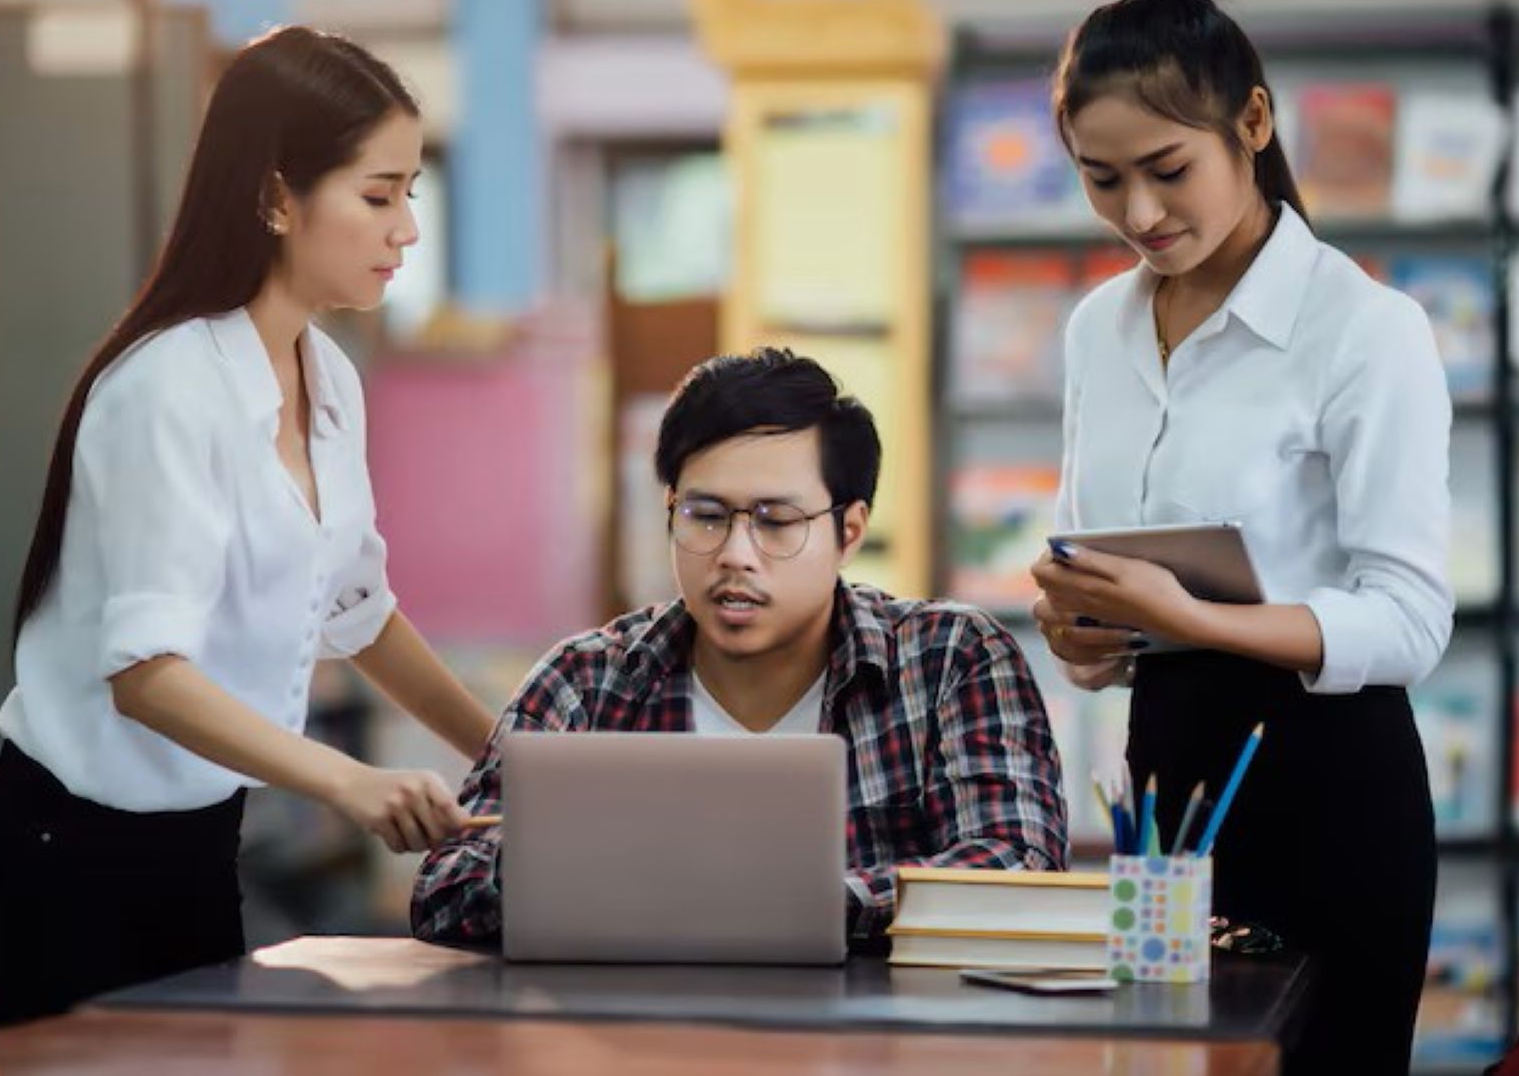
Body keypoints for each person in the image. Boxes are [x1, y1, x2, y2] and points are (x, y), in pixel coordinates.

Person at [0, 27, 496, 1027]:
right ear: (278, 197)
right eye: (379, 196)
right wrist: (350, 783)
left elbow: (359, 611)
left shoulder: (329, 378)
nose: (409, 230)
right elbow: (147, 676)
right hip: (62, 871)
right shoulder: (166, 387)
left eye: (411, 193)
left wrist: (510, 756)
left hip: (199, 854)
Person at [1030, 0, 1450, 1076]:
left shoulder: (1364, 328)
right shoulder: (1095, 329)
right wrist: (1082, 631)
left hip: (1330, 790)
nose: (1138, 214)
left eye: (1167, 170)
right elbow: (1093, 574)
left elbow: (1410, 621)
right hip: (1163, 785)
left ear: (1252, 124)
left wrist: (1194, 620)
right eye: (1101, 179)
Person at [412, 349, 1067, 945]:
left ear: (849, 531)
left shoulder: (950, 658)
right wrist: (561, 867)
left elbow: (1016, 863)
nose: (735, 554)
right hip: (636, 1027)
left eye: (776, 522)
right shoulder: (586, 678)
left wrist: (784, 904)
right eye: (706, 517)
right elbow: (446, 888)